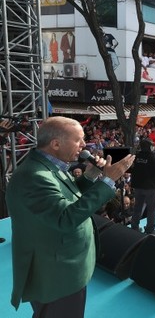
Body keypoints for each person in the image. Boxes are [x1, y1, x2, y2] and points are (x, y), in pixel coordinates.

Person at [6, 116, 134, 316]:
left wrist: (91, 175)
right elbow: (65, 218)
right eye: (78, 140)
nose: (85, 145)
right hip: (56, 276)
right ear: (56, 144)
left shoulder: (51, 165)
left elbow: (68, 195)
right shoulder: (34, 176)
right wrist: (108, 180)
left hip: (64, 268)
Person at [130, 139, 155, 235]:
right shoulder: (152, 158)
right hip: (150, 188)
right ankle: (150, 229)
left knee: (137, 207)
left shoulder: (137, 156)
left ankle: (134, 226)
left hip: (138, 187)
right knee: (151, 209)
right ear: (149, 147)